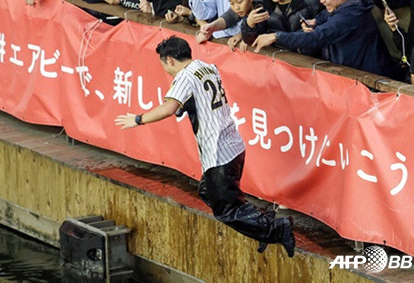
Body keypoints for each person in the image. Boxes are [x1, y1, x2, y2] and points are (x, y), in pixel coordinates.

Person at [114, 36, 295, 259]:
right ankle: (260, 225)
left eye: (163, 65)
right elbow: (195, 103)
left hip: (219, 153)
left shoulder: (185, 76)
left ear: (170, 60)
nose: (166, 71)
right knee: (208, 191)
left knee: (226, 211)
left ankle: (275, 229)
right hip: (232, 147)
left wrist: (139, 119)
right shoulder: (208, 68)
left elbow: (170, 108)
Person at [253, 0, 393, 76]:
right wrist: (314, 21)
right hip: (351, 72)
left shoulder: (351, 14)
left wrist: (276, 36)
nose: (321, 1)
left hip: (368, 77)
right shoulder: (345, 3)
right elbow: (325, 15)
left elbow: (318, 36)